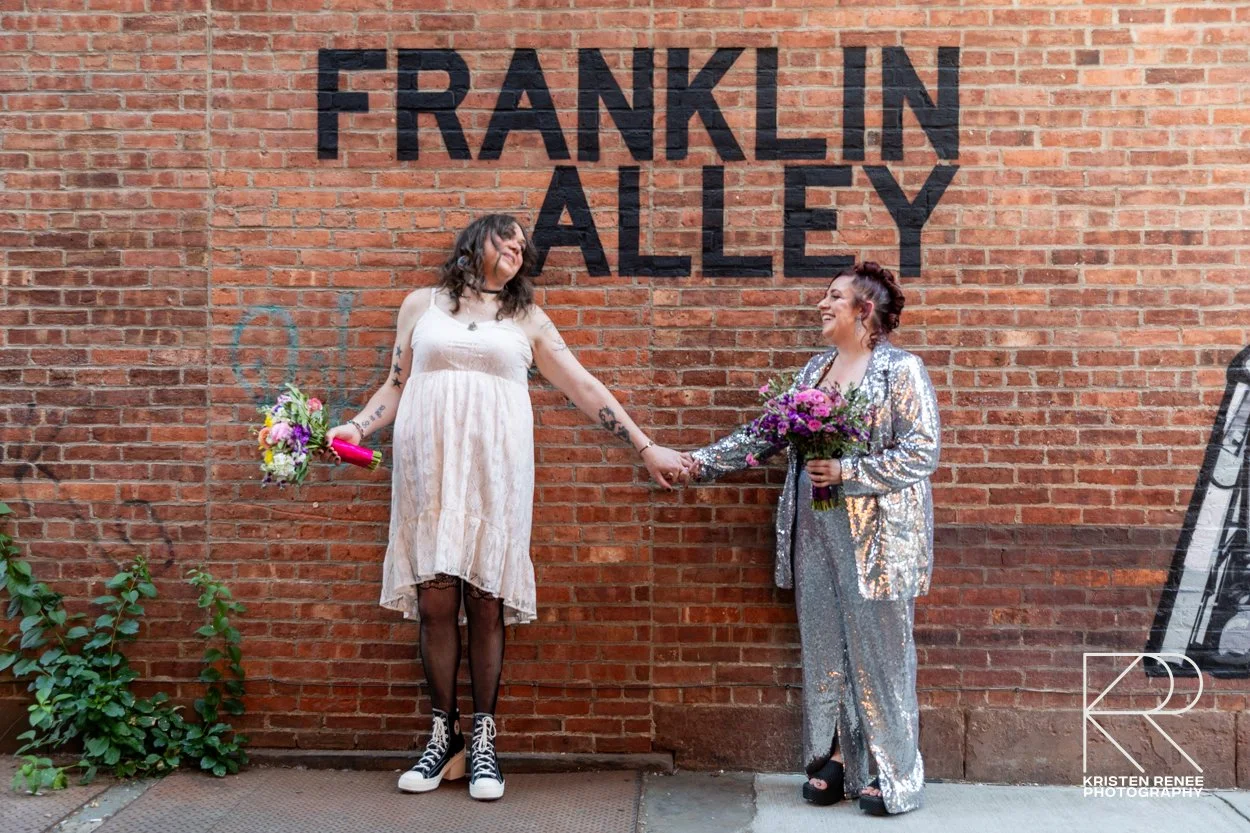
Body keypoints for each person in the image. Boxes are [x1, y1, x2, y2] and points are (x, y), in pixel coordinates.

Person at [323, 214, 689, 801]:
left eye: (524, 245)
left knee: (485, 598)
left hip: (495, 470)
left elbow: (583, 386)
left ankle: (485, 742)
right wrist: (357, 428)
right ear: (476, 243)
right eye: (508, 238)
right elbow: (395, 384)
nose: (519, 248)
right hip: (430, 468)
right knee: (435, 600)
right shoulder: (420, 306)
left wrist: (645, 448)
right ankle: (444, 737)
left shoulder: (528, 319)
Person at [686, 262, 940, 816]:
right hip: (815, 529)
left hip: (877, 538)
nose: (822, 305)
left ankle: (896, 773)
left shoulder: (900, 369)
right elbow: (765, 435)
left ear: (864, 311)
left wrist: (850, 472)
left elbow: (923, 450)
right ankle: (844, 762)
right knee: (827, 646)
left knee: (882, 653)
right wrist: (697, 463)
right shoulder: (813, 370)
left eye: (834, 297)